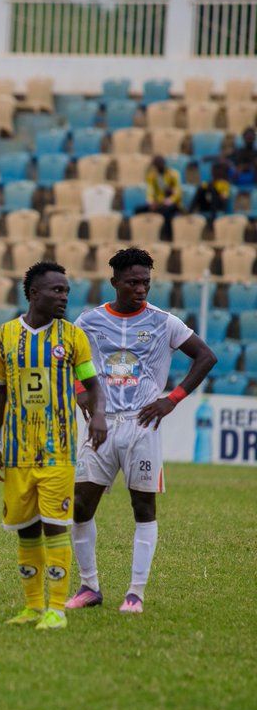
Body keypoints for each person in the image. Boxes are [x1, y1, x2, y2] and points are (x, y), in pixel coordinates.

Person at [67, 248, 217, 614]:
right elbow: (69, 361)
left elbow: (206, 356)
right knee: (82, 505)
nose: (140, 289)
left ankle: (135, 593)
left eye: (146, 283)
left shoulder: (164, 322)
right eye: (133, 282)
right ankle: (89, 586)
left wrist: (172, 399)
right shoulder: (88, 322)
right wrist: (85, 400)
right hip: (100, 426)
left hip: (142, 424)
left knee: (143, 506)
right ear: (114, 281)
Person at [0, 261, 107, 631]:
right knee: (24, 529)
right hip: (18, 451)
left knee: (55, 526)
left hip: (58, 451)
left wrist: (98, 414)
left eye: (66, 291)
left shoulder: (72, 337)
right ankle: (33, 606)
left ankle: (56, 608)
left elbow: (92, 384)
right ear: (33, 293)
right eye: (56, 290)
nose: (64, 297)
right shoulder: (4, 336)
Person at [136, 155, 182, 239]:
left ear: (163, 164)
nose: (158, 166)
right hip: (158, 204)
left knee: (167, 213)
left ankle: (168, 237)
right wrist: (151, 202)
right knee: (138, 210)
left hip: (172, 204)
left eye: (159, 164)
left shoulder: (173, 174)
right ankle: (141, 235)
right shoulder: (153, 176)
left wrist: (168, 200)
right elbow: (150, 191)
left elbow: (177, 192)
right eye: (156, 165)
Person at [189, 160, 232, 224]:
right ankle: (190, 212)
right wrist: (207, 188)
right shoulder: (210, 182)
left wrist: (217, 191)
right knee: (200, 189)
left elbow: (224, 197)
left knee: (213, 190)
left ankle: (213, 220)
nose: (213, 173)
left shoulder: (224, 184)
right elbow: (201, 190)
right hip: (208, 205)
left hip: (218, 206)